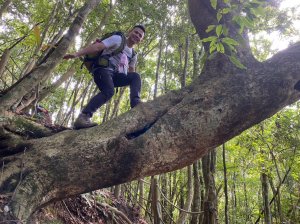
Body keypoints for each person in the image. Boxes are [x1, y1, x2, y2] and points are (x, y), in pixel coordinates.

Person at [63, 25, 145, 129]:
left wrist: (131, 81)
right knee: (109, 91)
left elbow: (131, 71)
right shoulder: (118, 39)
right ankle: (83, 117)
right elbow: (97, 47)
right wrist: (76, 54)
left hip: (115, 75)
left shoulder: (134, 55)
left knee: (136, 76)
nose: (137, 36)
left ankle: (136, 104)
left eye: (140, 35)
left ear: (141, 40)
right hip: (102, 69)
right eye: (136, 32)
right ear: (130, 31)